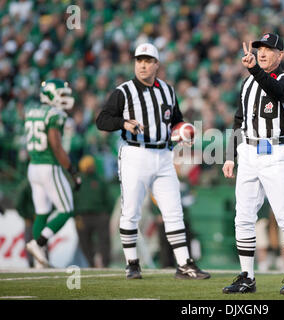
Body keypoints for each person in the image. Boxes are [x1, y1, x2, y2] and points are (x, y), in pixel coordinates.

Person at [96, 42, 210, 280]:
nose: (143, 65)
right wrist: (123, 123)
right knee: (131, 211)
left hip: (164, 155)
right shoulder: (123, 91)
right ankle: (132, 263)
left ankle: (184, 264)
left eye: (148, 61)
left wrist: (184, 132)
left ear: (157, 64)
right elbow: (102, 120)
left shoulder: (167, 91)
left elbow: (176, 121)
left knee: (174, 211)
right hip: (135, 154)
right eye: (139, 61)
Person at [222, 33, 284, 294]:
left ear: (281, 55)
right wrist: (229, 155)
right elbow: (238, 121)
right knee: (243, 216)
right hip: (248, 151)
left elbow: (279, 92)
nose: (263, 52)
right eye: (260, 48)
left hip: (275, 152)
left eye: (269, 49)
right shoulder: (247, 84)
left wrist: (255, 70)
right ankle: (247, 276)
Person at [24, 79, 81, 267]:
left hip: (33, 166)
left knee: (42, 213)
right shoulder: (54, 114)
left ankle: (39, 260)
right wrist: (72, 171)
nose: (64, 98)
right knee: (66, 209)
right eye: (61, 94)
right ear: (50, 95)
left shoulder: (32, 111)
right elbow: (56, 146)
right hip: (49, 166)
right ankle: (38, 243)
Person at [73, 155, 112, 268]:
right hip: (82, 216)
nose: (90, 167)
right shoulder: (77, 181)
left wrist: (106, 213)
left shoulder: (100, 180)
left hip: (100, 215)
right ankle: (90, 264)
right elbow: (72, 199)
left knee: (104, 241)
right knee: (84, 242)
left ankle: (105, 264)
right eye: (87, 166)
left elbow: (108, 199)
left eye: (91, 165)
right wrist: (75, 215)